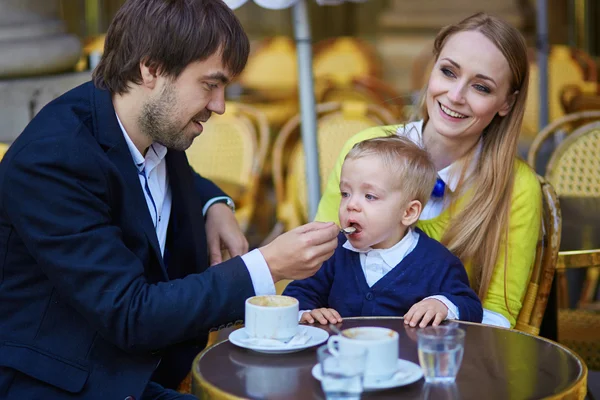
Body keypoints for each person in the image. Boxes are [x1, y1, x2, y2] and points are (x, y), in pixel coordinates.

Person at [0, 1, 339, 399]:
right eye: (210, 84)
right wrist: (269, 265)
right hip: (69, 382)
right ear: (152, 68)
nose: (220, 105)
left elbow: (171, 180)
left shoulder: (151, 124)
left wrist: (216, 204)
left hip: (149, 370)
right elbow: (131, 313)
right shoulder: (52, 160)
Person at [314, 12, 541, 329]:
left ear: (506, 102)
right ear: (431, 70)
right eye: (448, 72)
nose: (456, 95)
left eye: (482, 87)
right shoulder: (366, 147)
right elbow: (319, 260)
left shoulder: (517, 187)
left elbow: (497, 316)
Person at [283, 136, 483, 327]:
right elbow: (297, 295)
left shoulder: (437, 263)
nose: (351, 204)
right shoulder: (332, 252)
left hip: (405, 360)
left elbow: (470, 306)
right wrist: (307, 313)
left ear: (408, 212)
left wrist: (442, 305)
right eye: (345, 193)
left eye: (369, 196)